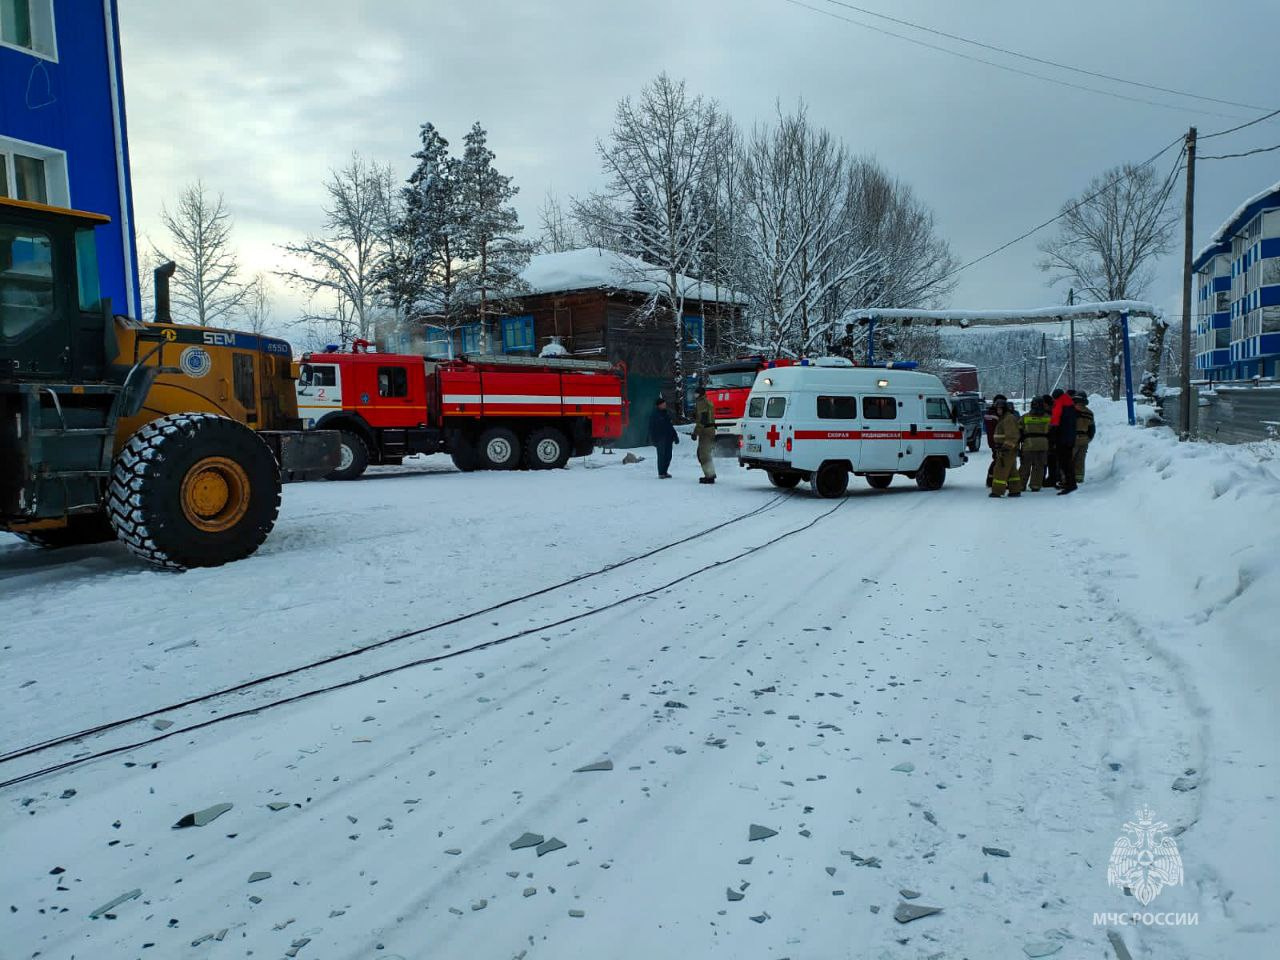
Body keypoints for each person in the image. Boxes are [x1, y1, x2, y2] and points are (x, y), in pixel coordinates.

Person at [988, 395, 1023, 498]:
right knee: (1012, 471)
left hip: (1007, 449)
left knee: (1000, 470)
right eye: (997, 409)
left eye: (1000, 409)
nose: (998, 411)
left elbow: (1012, 435)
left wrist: (1006, 447)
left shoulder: (1008, 419)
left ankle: (997, 491)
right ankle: (1015, 490)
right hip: (1005, 448)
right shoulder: (1003, 418)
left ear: (1004, 409)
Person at [1020, 396, 1051, 491]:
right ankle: (1036, 485)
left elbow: (1019, 430)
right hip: (1043, 445)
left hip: (1028, 444)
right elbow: (1052, 431)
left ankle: (1021, 485)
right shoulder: (1048, 417)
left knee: (1025, 465)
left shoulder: (1025, 417)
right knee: (1039, 466)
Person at [692, 386, 717, 485]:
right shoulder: (707, 401)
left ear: (701, 394)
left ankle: (709, 476)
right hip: (710, 430)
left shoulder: (701, 403)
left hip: (705, 431)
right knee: (704, 453)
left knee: (703, 455)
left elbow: (703, 420)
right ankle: (711, 473)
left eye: (697, 393)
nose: (695, 395)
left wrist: (695, 433)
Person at [648, 396, 678, 479]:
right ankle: (661, 473)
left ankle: (665, 471)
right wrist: (653, 439)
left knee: (668, 456)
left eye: (665, 403)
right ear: (659, 405)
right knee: (662, 455)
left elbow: (670, 426)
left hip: (668, 438)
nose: (665, 405)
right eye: (663, 404)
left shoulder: (666, 413)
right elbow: (651, 428)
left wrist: (675, 437)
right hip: (660, 438)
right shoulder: (654, 415)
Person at [1055, 390, 1078, 495]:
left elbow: (1055, 421)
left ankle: (1070, 484)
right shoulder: (1070, 404)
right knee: (1068, 462)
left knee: (1064, 463)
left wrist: (1053, 436)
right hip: (1070, 438)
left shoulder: (1060, 403)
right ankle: (1071, 483)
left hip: (1063, 439)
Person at [1072, 392, 1095, 485]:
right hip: (1084, 439)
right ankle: (1079, 478)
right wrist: (1088, 439)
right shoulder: (1089, 413)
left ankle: (1065, 478)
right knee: (1080, 459)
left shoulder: (1070, 411)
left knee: (1068, 459)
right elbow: (1092, 429)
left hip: (1072, 439)